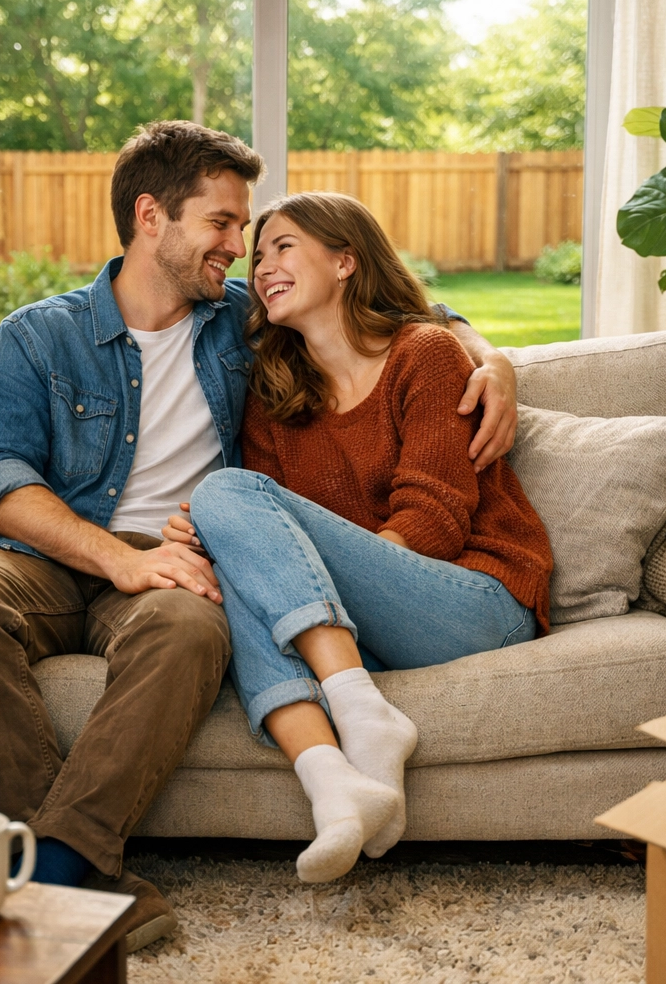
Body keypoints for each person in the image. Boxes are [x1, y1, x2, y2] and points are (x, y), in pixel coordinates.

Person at [0, 123, 519, 951]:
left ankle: (55, 866)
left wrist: (493, 359)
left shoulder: (245, 321)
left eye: (247, 230)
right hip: (48, 552)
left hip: (188, 561)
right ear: (150, 217)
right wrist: (116, 558)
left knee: (194, 630)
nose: (239, 248)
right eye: (222, 224)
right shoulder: (38, 335)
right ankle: (70, 871)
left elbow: (400, 314)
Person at [166, 192, 553, 885]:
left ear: (345, 261)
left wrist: (263, 540)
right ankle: (334, 786)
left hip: (477, 599)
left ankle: (358, 710)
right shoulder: (276, 396)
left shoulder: (425, 353)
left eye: (284, 246)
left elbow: (435, 517)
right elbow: (278, 557)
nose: (262, 265)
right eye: (258, 255)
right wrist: (222, 543)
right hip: (367, 621)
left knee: (223, 494)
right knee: (237, 577)